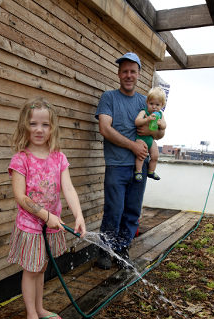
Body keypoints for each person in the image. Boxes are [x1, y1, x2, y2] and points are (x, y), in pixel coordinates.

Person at [7, 97, 86, 319]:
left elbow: (69, 189)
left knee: (41, 266)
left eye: (45, 125)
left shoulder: (59, 157)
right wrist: (45, 215)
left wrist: (79, 216)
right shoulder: (21, 159)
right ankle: (31, 315)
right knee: (31, 270)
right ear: (24, 126)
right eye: (33, 124)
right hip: (32, 226)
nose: (39, 130)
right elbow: (21, 197)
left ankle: (40, 308)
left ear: (52, 128)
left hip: (51, 224)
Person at [95, 52, 165, 270]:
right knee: (113, 210)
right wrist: (133, 145)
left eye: (132, 71)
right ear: (118, 74)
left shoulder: (145, 101)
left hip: (140, 165)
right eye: (124, 71)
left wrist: (159, 131)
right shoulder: (109, 97)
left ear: (138, 75)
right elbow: (105, 128)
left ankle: (122, 249)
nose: (128, 75)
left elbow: (158, 134)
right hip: (116, 165)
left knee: (132, 210)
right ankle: (105, 250)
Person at [134, 87, 167, 182]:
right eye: (151, 103)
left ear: (162, 105)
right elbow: (137, 122)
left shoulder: (160, 114)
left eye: (157, 104)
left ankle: (151, 171)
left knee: (155, 155)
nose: (154, 107)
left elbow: (164, 125)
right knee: (142, 155)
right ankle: (138, 172)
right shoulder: (144, 111)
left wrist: (161, 124)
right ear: (147, 102)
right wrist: (147, 119)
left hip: (151, 139)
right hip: (141, 138)